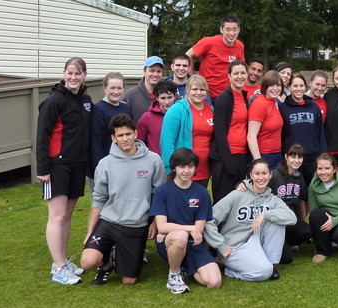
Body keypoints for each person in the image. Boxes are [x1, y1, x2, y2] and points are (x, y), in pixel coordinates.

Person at [81, 114, 166, 286]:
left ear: (135, 133)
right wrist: (90, 230)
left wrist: (154, 223)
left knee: (129, 281)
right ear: (113, 138)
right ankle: (106, 265)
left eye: (128, 134)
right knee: (87, 262)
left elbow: (160, 194)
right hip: (109, 222)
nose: (125, 138)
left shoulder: (153, 160)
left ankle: (117, 255)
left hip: (136, 225)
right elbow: (99, 199)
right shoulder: (105, 164)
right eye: (120, 135)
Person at [37, 57, 92, 285]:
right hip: (56, 166)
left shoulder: (86, 100)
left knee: (67, 215)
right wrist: (43, 169)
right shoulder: (54, 100)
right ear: (64, 73)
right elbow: (42, 135)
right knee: (57, 215)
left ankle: (63, 261)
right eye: (70, 73)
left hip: (77, 164)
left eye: (77, 73)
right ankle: (59, 268)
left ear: (84, 75)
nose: (73, 77)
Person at [204, 158, 297, 281]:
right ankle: (231, 271)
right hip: (234, 247)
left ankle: (270, 265)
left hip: (256, 244)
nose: (261, 177)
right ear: (251, 175)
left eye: (264, 173)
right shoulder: (237, 195)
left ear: (270, 175)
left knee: (276, 221)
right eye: (257, 173)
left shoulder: (273, 199)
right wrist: (221, 246)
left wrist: (265, 215)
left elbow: (292, 218)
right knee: (264, 272)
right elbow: (209, 219)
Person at [151, 148, 221, 294]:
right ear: (174, 168)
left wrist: (192, 230)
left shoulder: (202, 192)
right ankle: (174, 275)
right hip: (170, 242)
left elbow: (199, 229)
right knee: (180, 236)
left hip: (194, 244)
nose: (186, 171)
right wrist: (190, 229)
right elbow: (162, 226)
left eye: (190, 166)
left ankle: (185, 268)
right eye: (182, 166)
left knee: (214, 282)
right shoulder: (162, 191)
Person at [160, 75, 214, 189]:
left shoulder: (211, 110)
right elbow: (167, 140)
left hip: (203, 169)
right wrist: (170, 169)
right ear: (188, 90)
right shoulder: (177, 109)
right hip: (182, 169)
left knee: (198, 203)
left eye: (202, 89)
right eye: (195, 89)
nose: (198, 93)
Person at [210, 60, 250, 203]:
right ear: (229, 76)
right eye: (236, 73)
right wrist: (228, 163)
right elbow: (219, 133)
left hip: (241, 156)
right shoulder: (223, 98)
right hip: (225, 158)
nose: (240, 76)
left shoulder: (245, 97)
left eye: (243, 73)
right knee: (223, 201)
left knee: (237, 200)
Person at [279, 73, 327, 189]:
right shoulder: (283, 107)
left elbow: (320, 132)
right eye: (295, 86)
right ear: (289, 87)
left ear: (306, 87)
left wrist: (323, 155)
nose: (298, 89)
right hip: (293, 159)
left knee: (312, 191)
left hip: (311, 158)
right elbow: (281, 134)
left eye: (301, 85)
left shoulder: (314, 107)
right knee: (295, 192)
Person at [88, 73, 132, 195]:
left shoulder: (125, 108)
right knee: (101, 205)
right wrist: (101, 170)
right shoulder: (98, 109)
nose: (116, 91)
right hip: (103, 166)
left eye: (119, 88)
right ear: (105, 88)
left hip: (123, 164)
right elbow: (96, 142)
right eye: (112, 88)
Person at [186, 15, 245, 100]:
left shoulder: (240, 46)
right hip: (206, 94)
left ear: (238, 29)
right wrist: (191, 77)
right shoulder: (208, 42)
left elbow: (241, 68)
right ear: (221, 29)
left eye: (234, 30)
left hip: (227, 94)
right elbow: (188, 55)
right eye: (228, 30)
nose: (231, 33)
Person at [247, 71, 285, 169]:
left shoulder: (274, 101)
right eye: (271, 85)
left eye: (278, 85)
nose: (275, 89)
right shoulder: (259, 104)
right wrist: (258, 161)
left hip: (277, 154)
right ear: (265, 86)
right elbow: (251, 136)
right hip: (264, 155)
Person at [136, 80, 178, 155]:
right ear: (157, 98)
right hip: (155, 162)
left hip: (179, 162)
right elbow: (138, 142)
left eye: (169, 97)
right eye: (163, 98)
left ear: (175, 96)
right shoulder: (147, 117)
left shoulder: (182, 114)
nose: (167, 102)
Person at [124, 56, 164, 123]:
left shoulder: (169, 95)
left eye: (159, 71)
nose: (155, 74)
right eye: (152, 71)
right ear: (144, 71)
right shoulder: (130, 96)